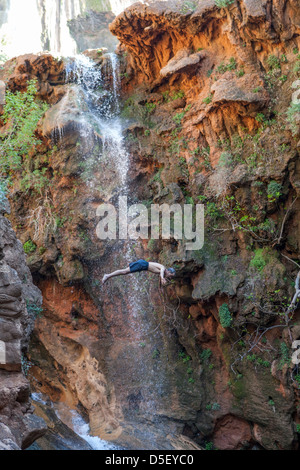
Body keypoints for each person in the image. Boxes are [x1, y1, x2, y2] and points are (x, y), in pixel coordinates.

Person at [102, 259, 176, 285]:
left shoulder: (161, 272)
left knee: (125, 271)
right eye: (171, 275)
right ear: (169, 271)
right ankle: (107, 275)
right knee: (124, 271)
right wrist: (162, 278)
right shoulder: (163, 268)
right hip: (143, 265)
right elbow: (162, 271)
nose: (170, 277)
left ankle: (108, 276)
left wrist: (161, 282)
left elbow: (161, 274)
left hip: (142, 266)